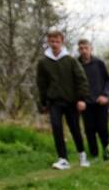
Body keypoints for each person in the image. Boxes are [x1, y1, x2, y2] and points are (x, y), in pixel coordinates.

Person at [36, 29, 89, 170]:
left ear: (62, 42)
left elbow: (81, 79)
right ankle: (63, 159)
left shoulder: (70, 60)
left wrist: (81, 99)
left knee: (75, 129)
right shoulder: (43, 62)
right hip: (54, 102)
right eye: (51, 41)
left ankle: (82, 155)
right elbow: (41, 83)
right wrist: (43, 102)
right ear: (48, 42)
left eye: (57, 41)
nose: (54, 44)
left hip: (71, 101)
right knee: (57, 128)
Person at [77, 39, 109, 162]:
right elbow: (73, 84)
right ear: (78, 50)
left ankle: (107, 152)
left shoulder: (99, 63)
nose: (84, 51)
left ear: (91, 49)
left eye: (86, 48)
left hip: (100, 101)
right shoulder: (76, 64)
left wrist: (105, 95)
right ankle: (94, 155)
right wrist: (79, 100)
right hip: (85, 103)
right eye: (81, 48)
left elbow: (108, 80)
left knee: (102, 128)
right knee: (89, 130)